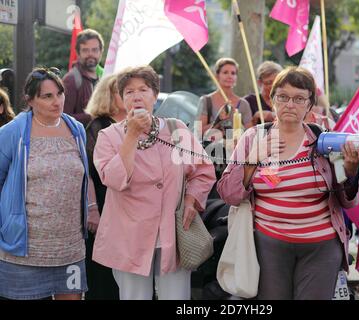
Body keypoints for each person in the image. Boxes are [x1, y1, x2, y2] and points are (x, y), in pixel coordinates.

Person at [217, 67, 359, 300]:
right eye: (283, 97)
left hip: (321, 246)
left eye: (299, 98)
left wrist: (350, 173)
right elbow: (228, 194)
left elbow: (348, 200)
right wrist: (252, 159)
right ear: (272, 100)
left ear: (309, 104)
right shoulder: (254, 137)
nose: (290, 104)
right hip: (268, 245)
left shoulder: (324, 140)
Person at [91, 66, 216, 300]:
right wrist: (131, 136)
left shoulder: (175, 128)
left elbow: (202, 170)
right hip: (129, 235)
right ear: (121, 98)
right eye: (128, 92)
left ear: (155, 95)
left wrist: (191, 200)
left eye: (143, 89)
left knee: (176, 297)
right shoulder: (108, 136)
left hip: (173, 233)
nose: (136, 96)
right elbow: (114, 179)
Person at [0, 67, 89, 300]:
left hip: (70, 244)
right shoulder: (12, 133)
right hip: (25, 246)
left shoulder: (77, 130)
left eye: (59, 94)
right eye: (47, 96)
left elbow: (84, 177)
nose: (56, 101)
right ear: (30, 100)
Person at [83, 74, 127, 300]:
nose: (130, 95)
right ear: (109, 96)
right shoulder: (99, 126)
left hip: (131, 209)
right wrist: (93, 209)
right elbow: (89, 173)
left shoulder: (139, 124)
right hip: (104, 203)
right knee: (104, 275)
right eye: (123, 91)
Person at [198, 57, 252, 135]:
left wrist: (236, 119)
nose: (230, 76)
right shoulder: (205, 101)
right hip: (213, 146)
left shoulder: (244, 104)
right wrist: (218, 120)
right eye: (225, 72)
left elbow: (250, 134)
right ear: (217, 76)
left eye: (233, 73)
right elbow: (198, 132)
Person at [63, 29, 105, 127]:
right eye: (85, 50)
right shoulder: (71, 80)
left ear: (101, 52)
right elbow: (62, 118)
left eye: (94, 50)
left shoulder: (105, 78)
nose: (90, 54)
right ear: (78, 53)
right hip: (81, 141)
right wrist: (92, 116)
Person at [243, 61, 282, 125]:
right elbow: (240, 129)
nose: (273, 86)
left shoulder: (286, 101)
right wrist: (256, 117)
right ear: (259, 83)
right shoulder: (249, 101)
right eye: (269, 82)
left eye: (277, 82)